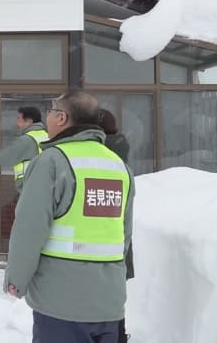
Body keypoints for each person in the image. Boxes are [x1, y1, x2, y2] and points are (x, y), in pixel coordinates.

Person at [4, 90, 136, 343]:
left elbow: (30, 228)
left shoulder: (52, 162)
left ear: (62, 118)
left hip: (61, 303)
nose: (48, 117)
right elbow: (124, 234)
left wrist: (16, 279)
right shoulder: (119, 166)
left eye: (51, 112)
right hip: (109, 302)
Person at [98, 108, 133, 343]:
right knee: (113, 295)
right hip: (117, 233)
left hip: (100, 235)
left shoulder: (103, 151)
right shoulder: (121, 144)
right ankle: (119, 334)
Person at [0, 106, 48, 193]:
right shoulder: (47, 136)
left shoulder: (26, 140)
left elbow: (5, 158)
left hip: (30, 186)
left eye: (19, 119)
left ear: (29, 121)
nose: (16, 123)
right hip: (46, 185)